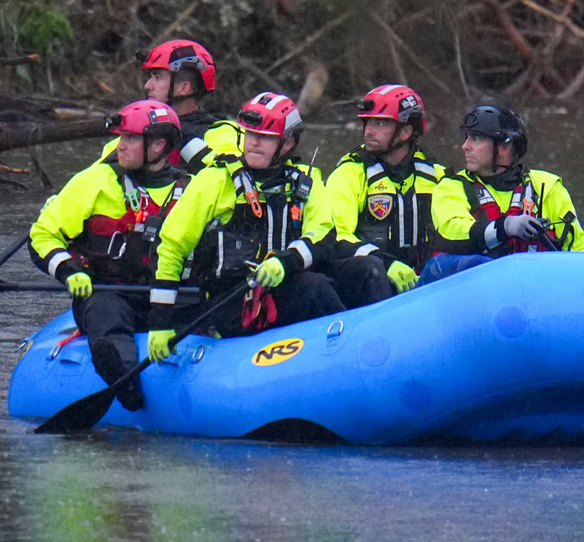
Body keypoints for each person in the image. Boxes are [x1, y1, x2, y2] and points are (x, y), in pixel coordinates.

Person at [147, 92, 377, 358]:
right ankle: (350, 355)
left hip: (285, 279)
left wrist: (284, 262)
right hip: (233, 300)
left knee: (365, 270)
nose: (254, 143)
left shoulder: (306, 180)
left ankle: (377, 342)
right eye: (250, 134)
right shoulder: (214, 180)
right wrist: (160, 323)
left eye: (265, 137)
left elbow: (323, 235)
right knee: (313, 287)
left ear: (287, 143)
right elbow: (171, 247)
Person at [29, 100, 187, 412]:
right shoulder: (95, 181)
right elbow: (42, 235)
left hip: (169, 296)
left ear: (158, 146)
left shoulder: (192, 190)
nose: (120, 145)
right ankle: (124, 380)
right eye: (121, 137)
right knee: (107, 311)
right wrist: (70, 270)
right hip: (107, 292)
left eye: (130, 139)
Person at [421, 105, 584, 284]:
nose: (465, 146)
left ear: (504, 147)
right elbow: (453, 234)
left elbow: (579, 248)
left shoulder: (547, 186)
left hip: (535, 286)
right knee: (473, 263)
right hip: (472, 289)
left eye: (476, 139)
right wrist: (505, 227)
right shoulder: (450, 187)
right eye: (467, 137)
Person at [324, 85, 446, 298]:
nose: (369, 131)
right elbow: (336, 236)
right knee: (371, 269)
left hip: (424, 279)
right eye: (368, 122)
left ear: (406, 131)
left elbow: (457, 229)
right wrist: (385, 263)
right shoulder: (348, 175)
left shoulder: (438, 176)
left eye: (380, 123)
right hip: (369, 280)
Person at [97, 39, 241, 170]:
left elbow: (231, 176)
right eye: (150, 77)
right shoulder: (129, 136)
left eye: (158, 78)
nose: (148, 85)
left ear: (184, 88)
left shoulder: (222, 134)